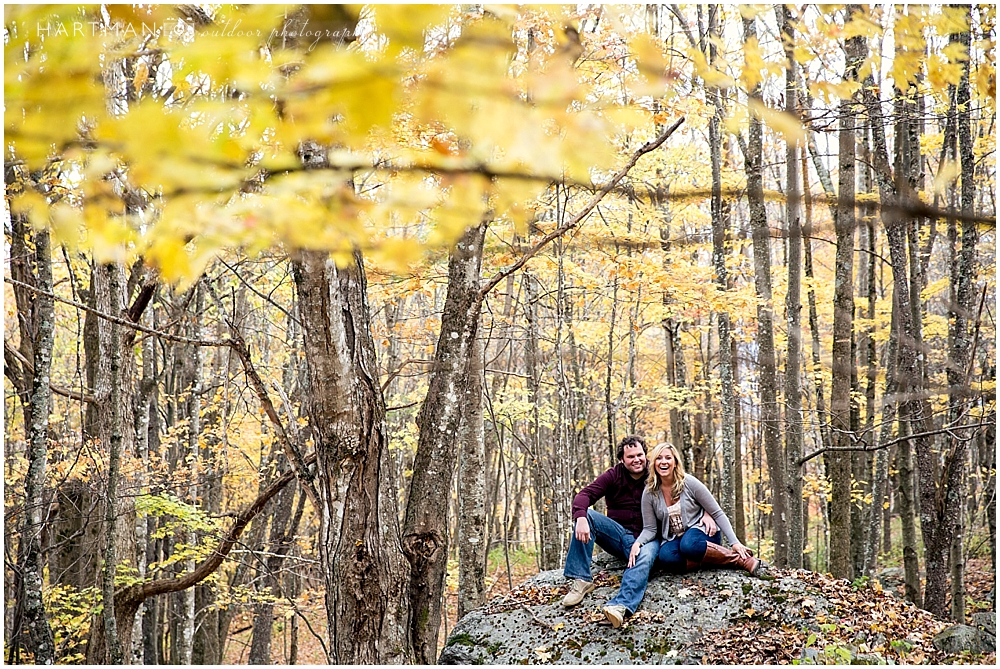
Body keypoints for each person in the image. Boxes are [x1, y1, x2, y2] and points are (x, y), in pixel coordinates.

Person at [627, 442, 769, 597]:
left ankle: (740, 560)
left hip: (703, 534)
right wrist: (637, 543)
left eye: (668, 458)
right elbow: (650, 529)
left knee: (689, 545)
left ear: (675, 462)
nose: (663, 462)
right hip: (677, 539)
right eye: (659, 458)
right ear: (654, 463)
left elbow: (717, 512)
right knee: (666, 556)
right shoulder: (650, 493)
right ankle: (711, 560)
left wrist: (734, 542)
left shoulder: (689, 482)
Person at [561, 435, 659, 626]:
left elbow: (685, 489)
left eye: (640, 455)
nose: (637, 459)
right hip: (620, 536)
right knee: (587, 515)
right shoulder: (614, 475)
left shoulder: (655, 474)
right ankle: (581, 580)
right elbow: (585, 494)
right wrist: (580, 517)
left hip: (649, 537)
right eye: (631, 457)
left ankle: (620, 606)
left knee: (643, 556)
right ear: (622, 460)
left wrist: (705, 513)